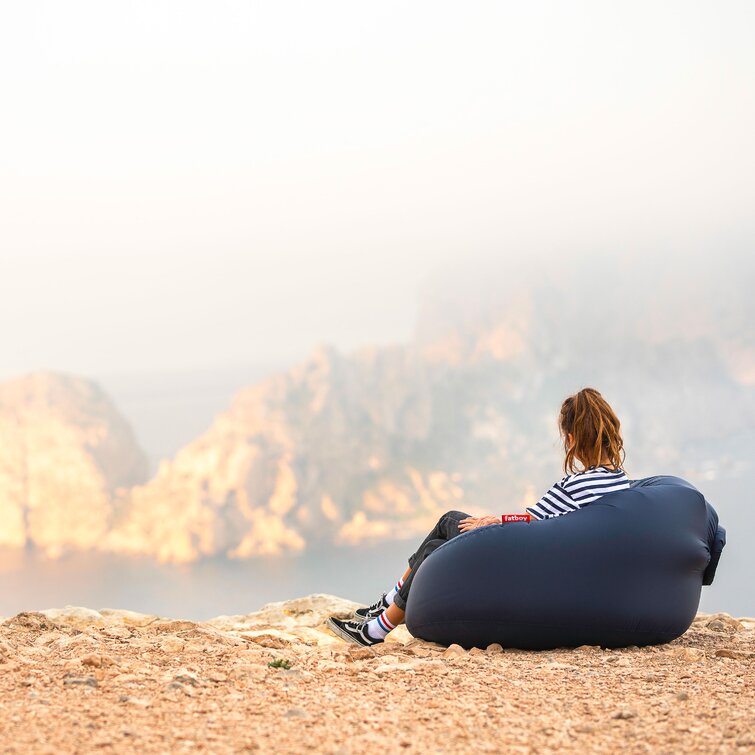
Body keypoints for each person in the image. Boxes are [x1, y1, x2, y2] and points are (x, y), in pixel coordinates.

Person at [326, 387, 630, 647]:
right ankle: (387, 604)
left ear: (572, 439)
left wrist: (495, 522)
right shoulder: (619, 480)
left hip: (526, 565)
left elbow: (530, 521)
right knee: (451, 520)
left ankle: (375, 630)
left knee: (437, 547)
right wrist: (494, 520)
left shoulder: (574, 484)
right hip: (555, 564)